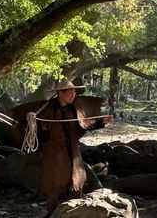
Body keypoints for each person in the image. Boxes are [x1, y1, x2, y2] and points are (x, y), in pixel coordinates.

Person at [34, 78, 113, 213]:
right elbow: (37, 131)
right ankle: (52, 212)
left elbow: (83, 126)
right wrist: (33, 122)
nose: (74, 95)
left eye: (74, 92)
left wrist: (101, 122)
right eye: (71, 93)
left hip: (72, 149)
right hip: (53, 152)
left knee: (77, 179)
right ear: (60, 93)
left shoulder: (74, 109)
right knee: (53, 183)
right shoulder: (47, 110)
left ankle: (75, 212)